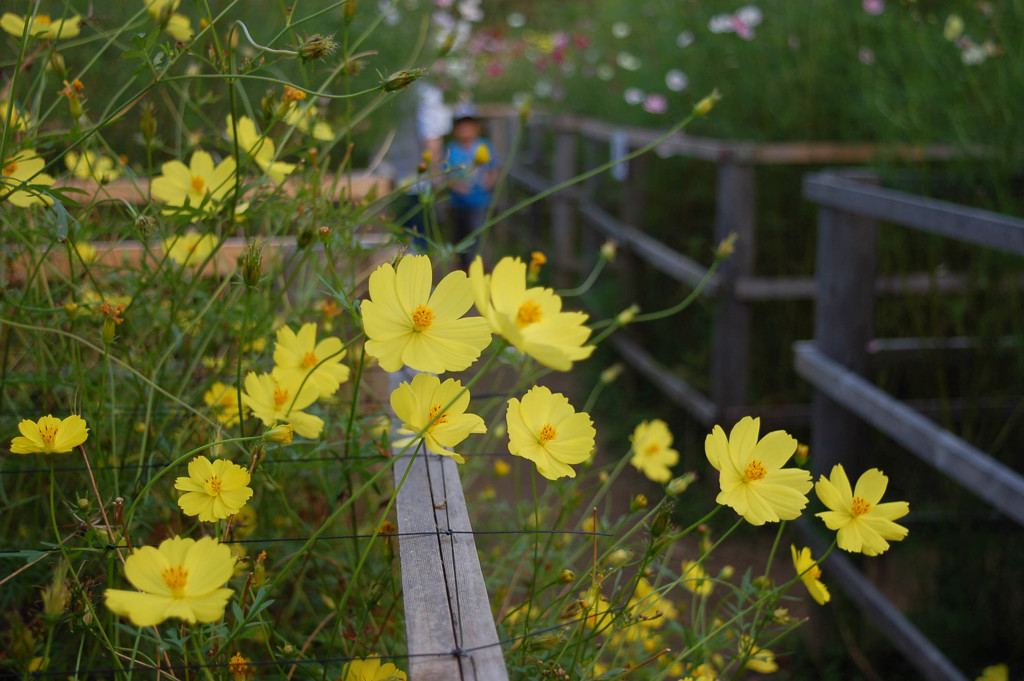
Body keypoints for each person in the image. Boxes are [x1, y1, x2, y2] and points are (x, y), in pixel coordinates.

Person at [443, 114, 498, 267]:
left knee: (477, 238)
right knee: (459, 240)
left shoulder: (484, 146)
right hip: (457, 204)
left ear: (477, 129)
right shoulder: (451, 150)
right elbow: (446, 175)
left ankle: (478, 269)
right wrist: (455, 186)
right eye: (462, 128)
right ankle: (462, 270)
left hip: (479, 202)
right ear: (456, 130)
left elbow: (494, 169)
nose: (466, 131)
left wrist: (490, 181)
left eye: (469, 127)